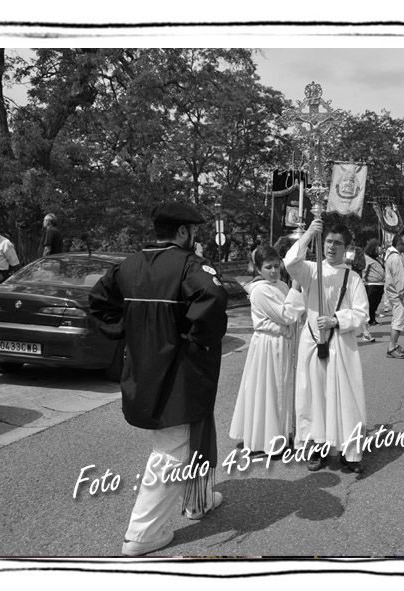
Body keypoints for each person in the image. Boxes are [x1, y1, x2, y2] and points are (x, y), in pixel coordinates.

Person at [89, 202, 229, 557]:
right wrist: (196, 341)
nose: (193, 238)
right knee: (172, 448)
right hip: (179, 370)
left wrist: (131, 331)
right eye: (192, 232)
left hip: (141, 368)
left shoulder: (128, 265)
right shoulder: (188, 265)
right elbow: (212, 298)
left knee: (190, 435)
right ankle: (142, 534)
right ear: (183, 232)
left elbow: (98, 302)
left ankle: (196, 501)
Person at [284, 218, 370, 473]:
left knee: (344, 396)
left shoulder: (352, 277)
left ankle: (349, 451)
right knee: (314, 396)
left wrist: (336, 320)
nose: (332, 247)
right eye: (329, 241)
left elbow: (361, 312)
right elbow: (290, 262)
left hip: (340, 344)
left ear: (346, 249)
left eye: (338, 243)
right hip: (312, 342)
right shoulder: (310, 270)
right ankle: (317, 448)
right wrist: (311, 232)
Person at [229, 246, 305, 455]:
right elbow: (287, 315)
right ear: (259, 269)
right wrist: (296, 288)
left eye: (276, 266)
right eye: (268, 267)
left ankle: (278, 432)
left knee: (279, 389)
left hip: (282, 341)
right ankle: (268, 438)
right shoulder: (261, 289)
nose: (273, 271)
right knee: (270, 389)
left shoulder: (280, 284)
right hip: (269, 344)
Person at [384, 233, 404, 359]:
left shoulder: (392, 256)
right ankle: (392, 347)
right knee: (398, 320)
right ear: (398, 244)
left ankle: (394, 345)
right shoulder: (396, 258)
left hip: (394, 292)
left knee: (398, 319)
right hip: (397, 293)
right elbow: (399, 280)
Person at [363, 239, 385, 328]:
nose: (378, 250)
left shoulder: (378, 259)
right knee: (370, 303)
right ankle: (368, 320)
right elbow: (364, 270)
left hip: (380, 284)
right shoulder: (367, 258)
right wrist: (362, 281)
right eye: (376, 249)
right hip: (371, 284)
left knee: (376, 302)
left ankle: (372, 319)